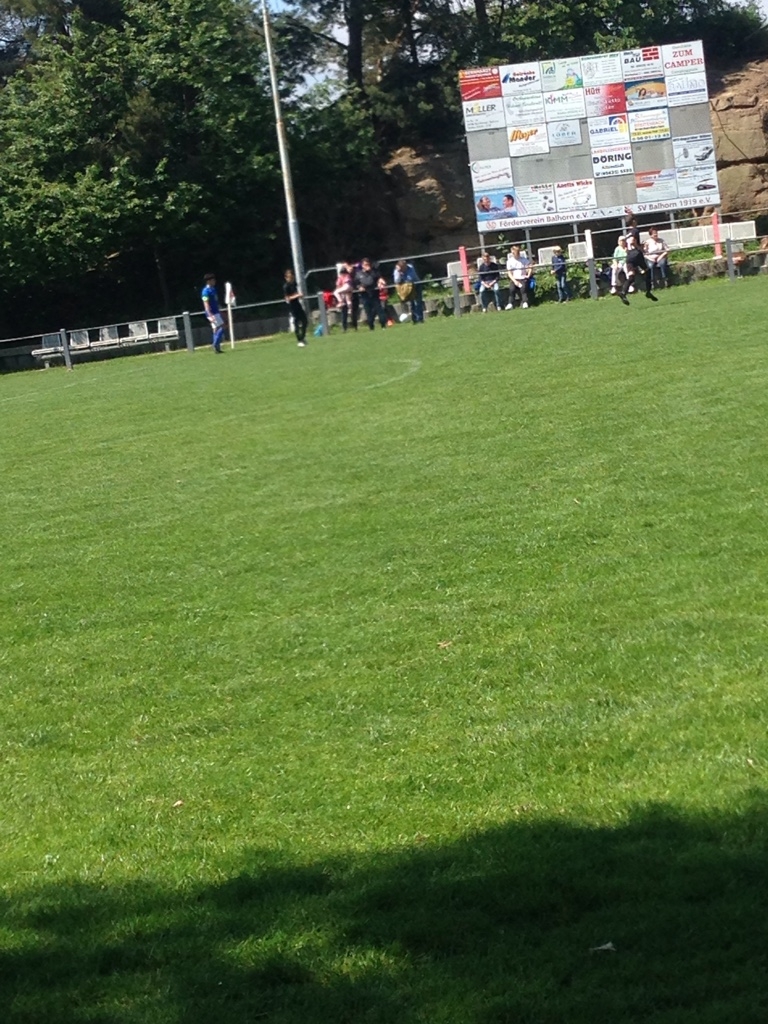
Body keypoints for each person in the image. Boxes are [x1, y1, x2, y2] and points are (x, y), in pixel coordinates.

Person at [624, 213, 657, 301]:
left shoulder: (627, 233)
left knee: (631, 276)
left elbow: (626, 246)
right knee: (647, 271)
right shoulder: (635, 231)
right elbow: (632, 241)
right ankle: (648, 292)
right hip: (636, 254)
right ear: (633, 221)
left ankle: (623, 293)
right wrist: (640, 248)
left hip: (629, 255)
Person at [357, 258, 387, 330]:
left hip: (374, 294)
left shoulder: (374, 272)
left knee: (379, 310)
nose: (367, 266)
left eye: (368, 264)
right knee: (368, 312)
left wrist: (380, 282)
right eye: (365, 264)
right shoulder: (359, 274)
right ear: (362, 265)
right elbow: (355, 283)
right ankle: (371, 327)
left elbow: (379, 278)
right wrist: (359, 287)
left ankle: (383, 326)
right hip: (365, 295)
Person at [393, 259, 424, 323]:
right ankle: (414, 319)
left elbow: (410, 278)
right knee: (411, 304)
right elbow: (396, 281)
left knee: (418, 303)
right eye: (402, 268)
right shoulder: (397, 271)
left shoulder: (410, 267)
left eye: (404, 267)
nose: (404, 268)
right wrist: (399, 273)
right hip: (406, 288)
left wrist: (403, 276)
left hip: (416, 285)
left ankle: (420, 319)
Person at [283, 269, 308, 346]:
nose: (291, 279)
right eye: (289, 277)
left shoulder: (294, 284)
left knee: (305, 321)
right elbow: (287, 298)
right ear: (286, 278)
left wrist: (299, 296)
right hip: (292, 307)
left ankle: (302, 337)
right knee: (296, 323)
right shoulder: (286, 286)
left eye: (292, 277)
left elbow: (296, 293)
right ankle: (299, 341)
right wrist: (297, 295)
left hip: (297, 304)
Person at [201, 272, 225, 352]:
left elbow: (215, 300)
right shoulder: (205, 291)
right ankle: (215, 343)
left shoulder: (213, 289)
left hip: (216, 311)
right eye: (213, 280)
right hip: (212, 312)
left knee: (215, 329)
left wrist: (219, 308)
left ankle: (217, 348)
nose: (214, 281)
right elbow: (206, 303)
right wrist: (209, 314)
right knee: (222, 327)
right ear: (208, 281)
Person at [506, 244, 532, 309]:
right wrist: (515, 281)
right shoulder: (509, 261)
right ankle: (510, 303)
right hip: (514, 279)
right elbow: (509, 273)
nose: (516, 254)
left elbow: (530, 267)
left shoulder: (524, 260)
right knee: (512, 289)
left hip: (522, 278)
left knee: (523, 288)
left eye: (517, 252)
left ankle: (525, 302)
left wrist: (528, 275)